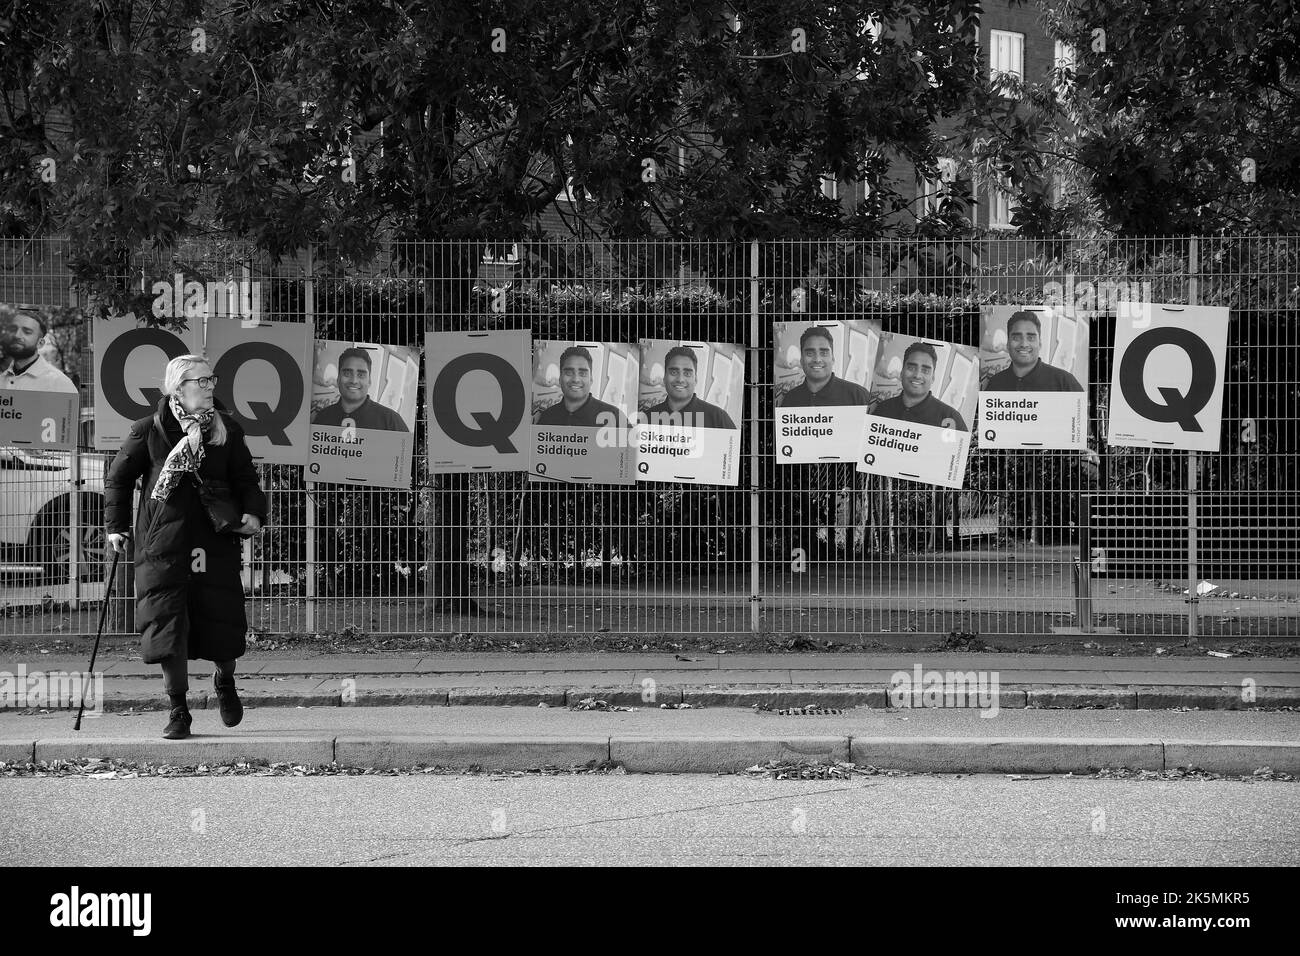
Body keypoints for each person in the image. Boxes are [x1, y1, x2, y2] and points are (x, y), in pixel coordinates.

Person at [104, 355, 268, 740]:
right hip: (162, 545)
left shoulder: (226, 430)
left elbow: (246, 478)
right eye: (202, 381)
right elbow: (118, 477)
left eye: (212, 380)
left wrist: (255, 514)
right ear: (178, 387)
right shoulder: (150, 430)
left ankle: (224, 680)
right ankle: (178, 709)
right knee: (168, 625)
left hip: (214, 541)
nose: (211, 386)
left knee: (221, 621)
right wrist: (116, 528)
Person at [872, 341, 969, 431]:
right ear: (902, 372)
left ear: (933, 377)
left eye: (925, 370)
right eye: (911, 368)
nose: (917, 375)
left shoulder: (951, 419)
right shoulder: (883, 410)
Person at [311, 347, 409, 431]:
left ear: (369, 381)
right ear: (338, 378)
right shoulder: (322, 417)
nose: (354, 380)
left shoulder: (391, 422)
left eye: (361, 374)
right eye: (347, 373)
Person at [984, 310, 1084, 392]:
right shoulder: (995, 384)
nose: (1024, 344)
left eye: (1031, 338)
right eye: (1016, 337)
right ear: (1008, 344)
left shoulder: (1064, 383)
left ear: (1039, 343)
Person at [641, 345, 736, 429]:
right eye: (674, 372)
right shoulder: (646, 419)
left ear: (696, 379)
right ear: (664, 377)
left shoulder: (718, 419)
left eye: (687, 373)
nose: (680, 379)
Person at [535, 346, 628, 427]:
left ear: (591, 379)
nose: (576, 379)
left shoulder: (615, 418)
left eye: (582, 373)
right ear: (560, 378)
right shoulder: (547, 417)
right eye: (568, 372)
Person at [779, 326, 870, 407]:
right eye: (809, 353)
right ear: (801, 360)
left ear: (833, 358)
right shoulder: (790, 399)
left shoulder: (858, 396)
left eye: (824, 353)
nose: (817, 359)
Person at [0, 304, 78, 393]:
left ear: (40, 343)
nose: (16, 335)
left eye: (27, 332)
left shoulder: (59, 383)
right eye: (13, 329)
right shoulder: (1, 380)